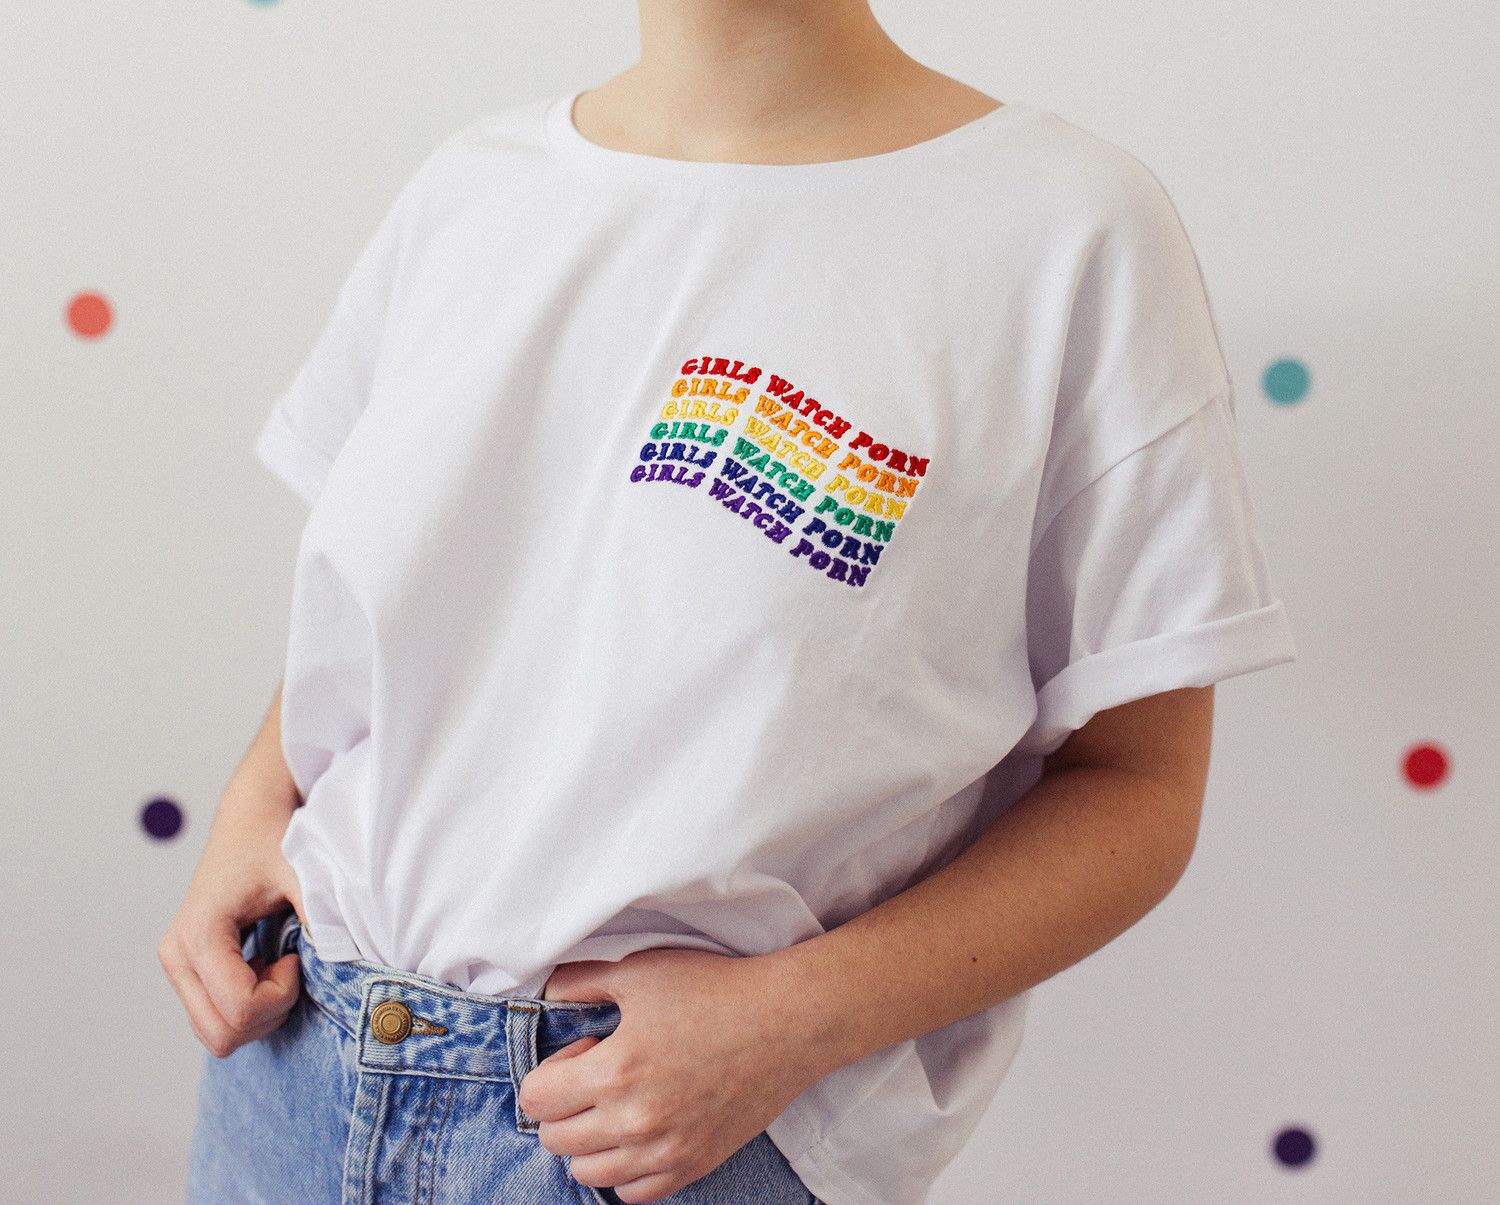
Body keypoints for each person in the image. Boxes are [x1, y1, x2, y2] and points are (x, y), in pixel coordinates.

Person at [160, 2, 1299, 1202]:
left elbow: (1138, 787)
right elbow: (403, 613)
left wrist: (790, 1019)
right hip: (291, 1064)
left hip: (671, 1133)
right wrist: (252, 803)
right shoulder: (467, 190)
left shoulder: (1069, 229)